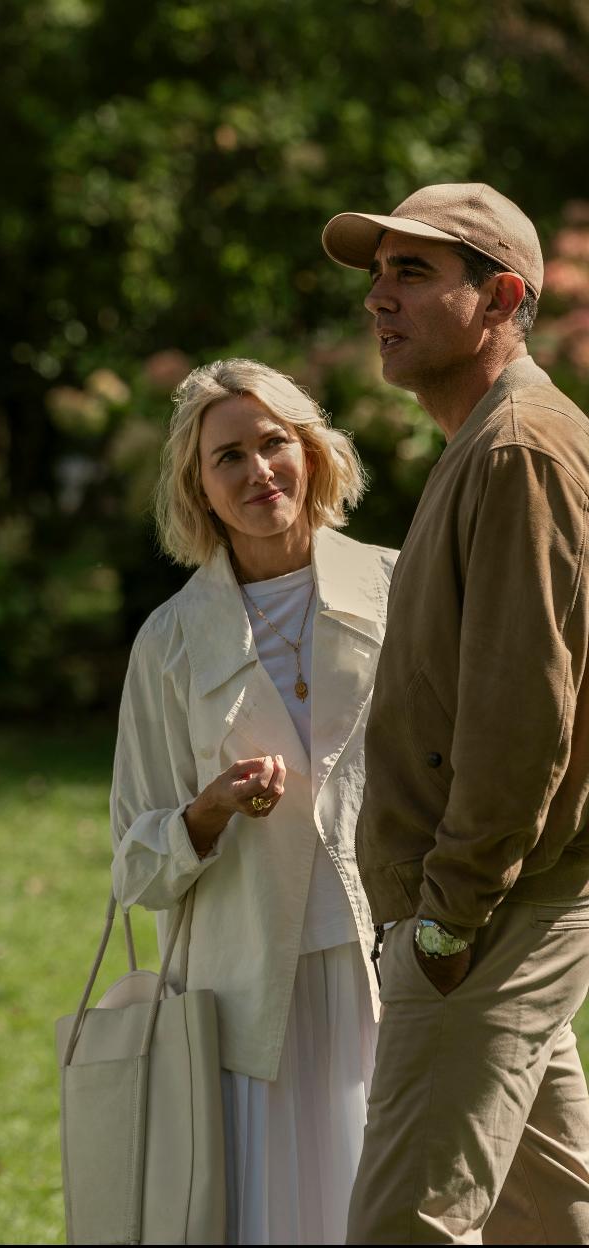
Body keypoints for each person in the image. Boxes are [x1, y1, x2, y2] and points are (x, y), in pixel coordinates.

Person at [321, 183, 589, 1243]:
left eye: (414, 273)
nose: (379, 297)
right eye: (378, 273)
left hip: (489, 917)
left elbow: (525, 711)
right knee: (551, 1221)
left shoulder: (519, 449)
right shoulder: (487, 441)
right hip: (499, 909)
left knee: (405, 1227)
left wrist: (447, 917)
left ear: (503, 298)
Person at [110, 357, 395, 1243]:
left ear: (310, 451)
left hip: (386, 969)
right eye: (226, 456)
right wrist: (210, 811)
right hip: (243, 1005)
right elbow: (134, 864)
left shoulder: (400, 585)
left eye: (273, 442)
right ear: (198, 487)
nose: (257, 470)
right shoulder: (169, 643)